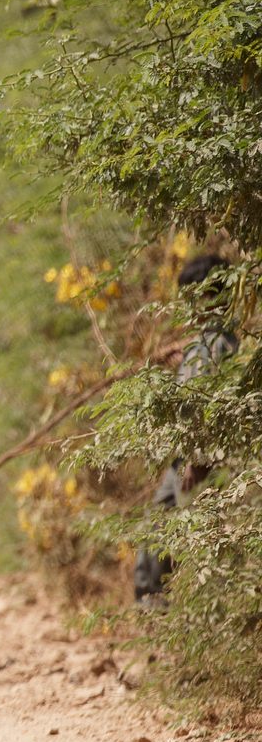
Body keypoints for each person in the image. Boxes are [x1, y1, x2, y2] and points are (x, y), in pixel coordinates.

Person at [133, 253, 237, 602]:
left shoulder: (223, 344)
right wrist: (179, 364)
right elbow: (190, 393)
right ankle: (153, 614)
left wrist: (200, 459)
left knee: (192, 541)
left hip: (201, 463)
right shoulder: (200, 344)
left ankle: (191, 618)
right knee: (155, 531)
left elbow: (218, 406)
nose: (190, 306)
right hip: (182, 458)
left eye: (196, 297)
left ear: (212, 295)